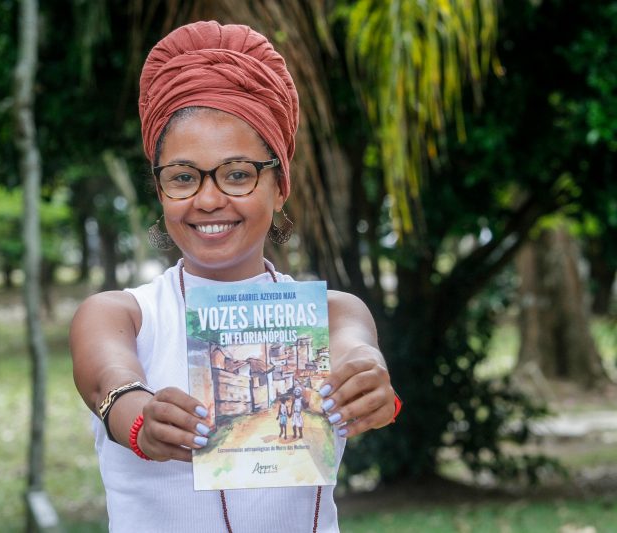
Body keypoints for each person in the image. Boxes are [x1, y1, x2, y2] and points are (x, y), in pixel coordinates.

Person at [70, 20, 400, 533]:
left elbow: (357, 352)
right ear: (160, 191)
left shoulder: (332, 312)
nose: (207, 199)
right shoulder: (121, 315)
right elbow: (109, 384)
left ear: (280, 185)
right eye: (183, 177)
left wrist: (370, 382)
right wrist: (142, 418)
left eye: (238, 174)